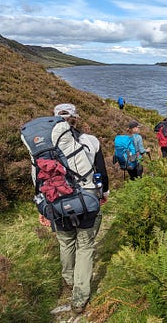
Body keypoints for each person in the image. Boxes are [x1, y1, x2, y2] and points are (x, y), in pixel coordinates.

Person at [52, 103, 110, 314]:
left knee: (66, 241)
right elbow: (102, 173)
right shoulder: (90, 141)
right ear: (76, 118)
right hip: (86, 200)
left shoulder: (44, 145)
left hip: (56, 202)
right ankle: (79, 298)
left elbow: (37, 179)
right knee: (85, 246)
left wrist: (42, 208)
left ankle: (69, 280)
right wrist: (103, 195)